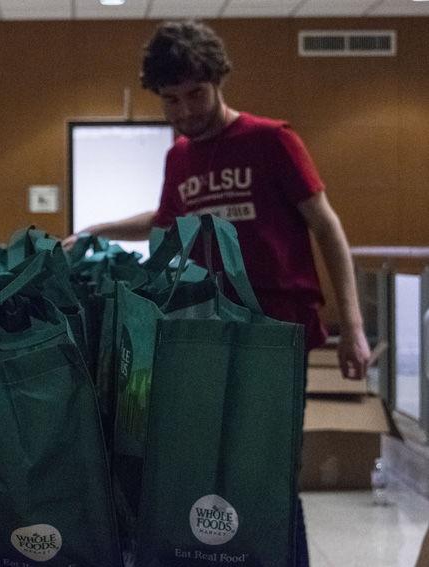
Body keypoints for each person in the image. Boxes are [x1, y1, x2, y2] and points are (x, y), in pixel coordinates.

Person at [63, 21, 371, 565]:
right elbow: (164, 224)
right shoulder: (179, 157)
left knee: (269, 470)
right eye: (171, 100)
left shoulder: (272, 139)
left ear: (218, 81)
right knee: (209, 463)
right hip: (207, 330)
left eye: (195, 95)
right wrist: (94, 229)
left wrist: (354, 329)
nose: (184, 112)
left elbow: (326, 227)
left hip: (278, 331)